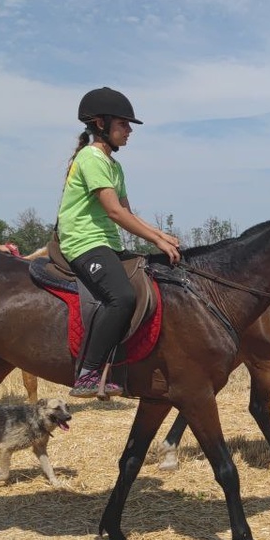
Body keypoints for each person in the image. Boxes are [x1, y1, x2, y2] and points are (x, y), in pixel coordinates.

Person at [57, 87, 181, 398]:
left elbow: (126, 211)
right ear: (101, 124)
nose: (128, 132)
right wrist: (155, 237)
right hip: (82, 242)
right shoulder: (91, 158)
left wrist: (161, 235)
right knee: (122, 296)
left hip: (107, 242)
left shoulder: (114, 165)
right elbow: (112, 211)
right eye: (123, 125)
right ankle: (87, 372)